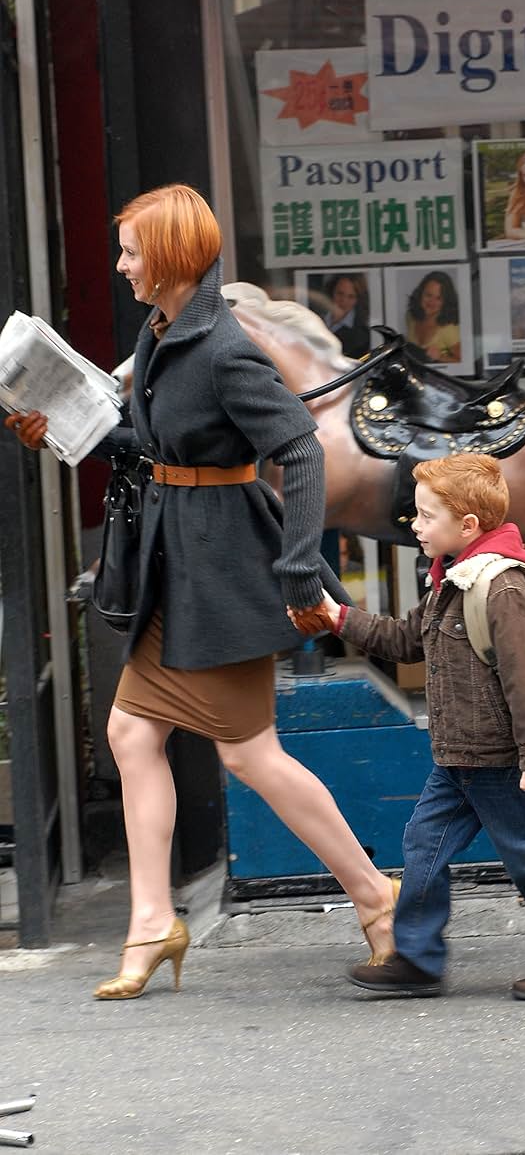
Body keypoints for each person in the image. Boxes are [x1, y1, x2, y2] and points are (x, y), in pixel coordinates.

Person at [5, 184, 399, 999]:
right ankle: (153, 920)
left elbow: (301, 447)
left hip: (224, 570)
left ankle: (376, 895)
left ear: (173, 256)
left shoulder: (223, 347)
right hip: (176, 563)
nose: (120, 266)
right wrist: (56, 431)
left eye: (131, 251)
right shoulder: (161, 336)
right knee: (131, 732)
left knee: (248, 753)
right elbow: (151, 446)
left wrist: (298, 568)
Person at [315, 453, 525, 1000]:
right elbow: (406, 640)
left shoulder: (500, 586)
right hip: (457, 756)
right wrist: (338, 619)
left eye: (426, 516)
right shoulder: (452, 579)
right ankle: (417, 959)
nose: (416, 525)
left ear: (467, 525)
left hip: (500, 759)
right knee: (424, 846)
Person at [404, 270, 462, 364]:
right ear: (420, 294)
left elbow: (464, 363)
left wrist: (440, 357)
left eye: (439, 298)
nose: (431, 302)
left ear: (446, 301)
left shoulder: (449, 330)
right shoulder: (410, 316)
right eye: (428, 295)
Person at [321, 272, 370, 359]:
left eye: (351, 297)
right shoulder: (316, 315)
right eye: (340, 293)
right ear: (332, 292)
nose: (344, 300)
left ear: (358, 300)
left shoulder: (362, 336)